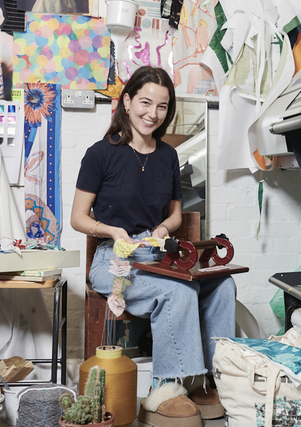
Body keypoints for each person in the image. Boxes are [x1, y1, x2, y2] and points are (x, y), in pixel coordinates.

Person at [71, 66, 234, 427]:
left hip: (159, 258)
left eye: (162, 107)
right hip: (115, 261)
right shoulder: (101, 154)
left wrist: (162, 228)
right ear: (127, 102)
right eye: (145, 102)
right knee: (178, 293)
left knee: (223, 285)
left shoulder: (167, 156)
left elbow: (176, 214)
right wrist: (112, 231)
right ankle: (164, 390)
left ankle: (202, 381)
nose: (152, 113)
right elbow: (78, 218)